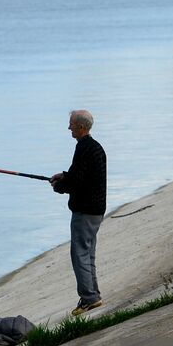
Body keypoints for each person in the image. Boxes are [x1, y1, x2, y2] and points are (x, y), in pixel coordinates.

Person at [50, 109, 107, 316]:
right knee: (88, 254)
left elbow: (79, 182)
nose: (69, 128)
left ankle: (89, 298)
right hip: (96, 210)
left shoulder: (84, 148)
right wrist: (64, 176)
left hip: (85, 211)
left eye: (71, 124)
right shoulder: (94, 147)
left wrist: (60, 187)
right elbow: (80, 175)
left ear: (81, 127)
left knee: (79, 254)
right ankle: (93, 295)